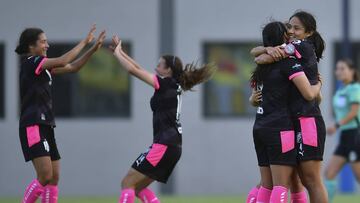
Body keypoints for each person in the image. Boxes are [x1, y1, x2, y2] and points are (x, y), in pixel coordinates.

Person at [110, 35, 215, 203]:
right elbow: (137, 67)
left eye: (160, 63)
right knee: (138, 188)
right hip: (171, 147)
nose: (156, 66)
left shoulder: (165, 84)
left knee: (127, 183)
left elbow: (132, 70)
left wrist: (116, 54)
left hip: (163, 146)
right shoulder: (173, 84)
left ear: (168, 70)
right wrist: (121, 51)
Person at [16, 25, 105, 203]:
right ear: (31, 46)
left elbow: (73, 67)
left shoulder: (44, 67)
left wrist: (92, 50)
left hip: (46, 125)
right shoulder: (31, 62)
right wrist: (85, 42)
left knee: (54, 177)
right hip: (33, 125)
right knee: (45, 175)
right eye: (43, 42)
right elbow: (64, 60)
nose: (47, 45)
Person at [250, 21, 322, 203]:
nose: (291, 33)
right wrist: (319, 84)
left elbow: (255, 96)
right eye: (288, 30)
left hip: (260, 126)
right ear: (282, 38)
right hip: (281, 128)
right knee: (282, 185)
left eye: (295, 28)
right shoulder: (287, 62)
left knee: (266, 184)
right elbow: (308, 93)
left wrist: (264, 50)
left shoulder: (260, 67)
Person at [324, 59, 360, 202]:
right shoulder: (341, 89)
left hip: (354, 136)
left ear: (352, 71)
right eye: (337, 68)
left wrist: (336, 125)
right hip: (345, 137)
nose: (339, 71)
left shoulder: (354, 88)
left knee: (358, 176)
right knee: (329, 174)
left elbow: (353, 112)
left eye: (343, 68)